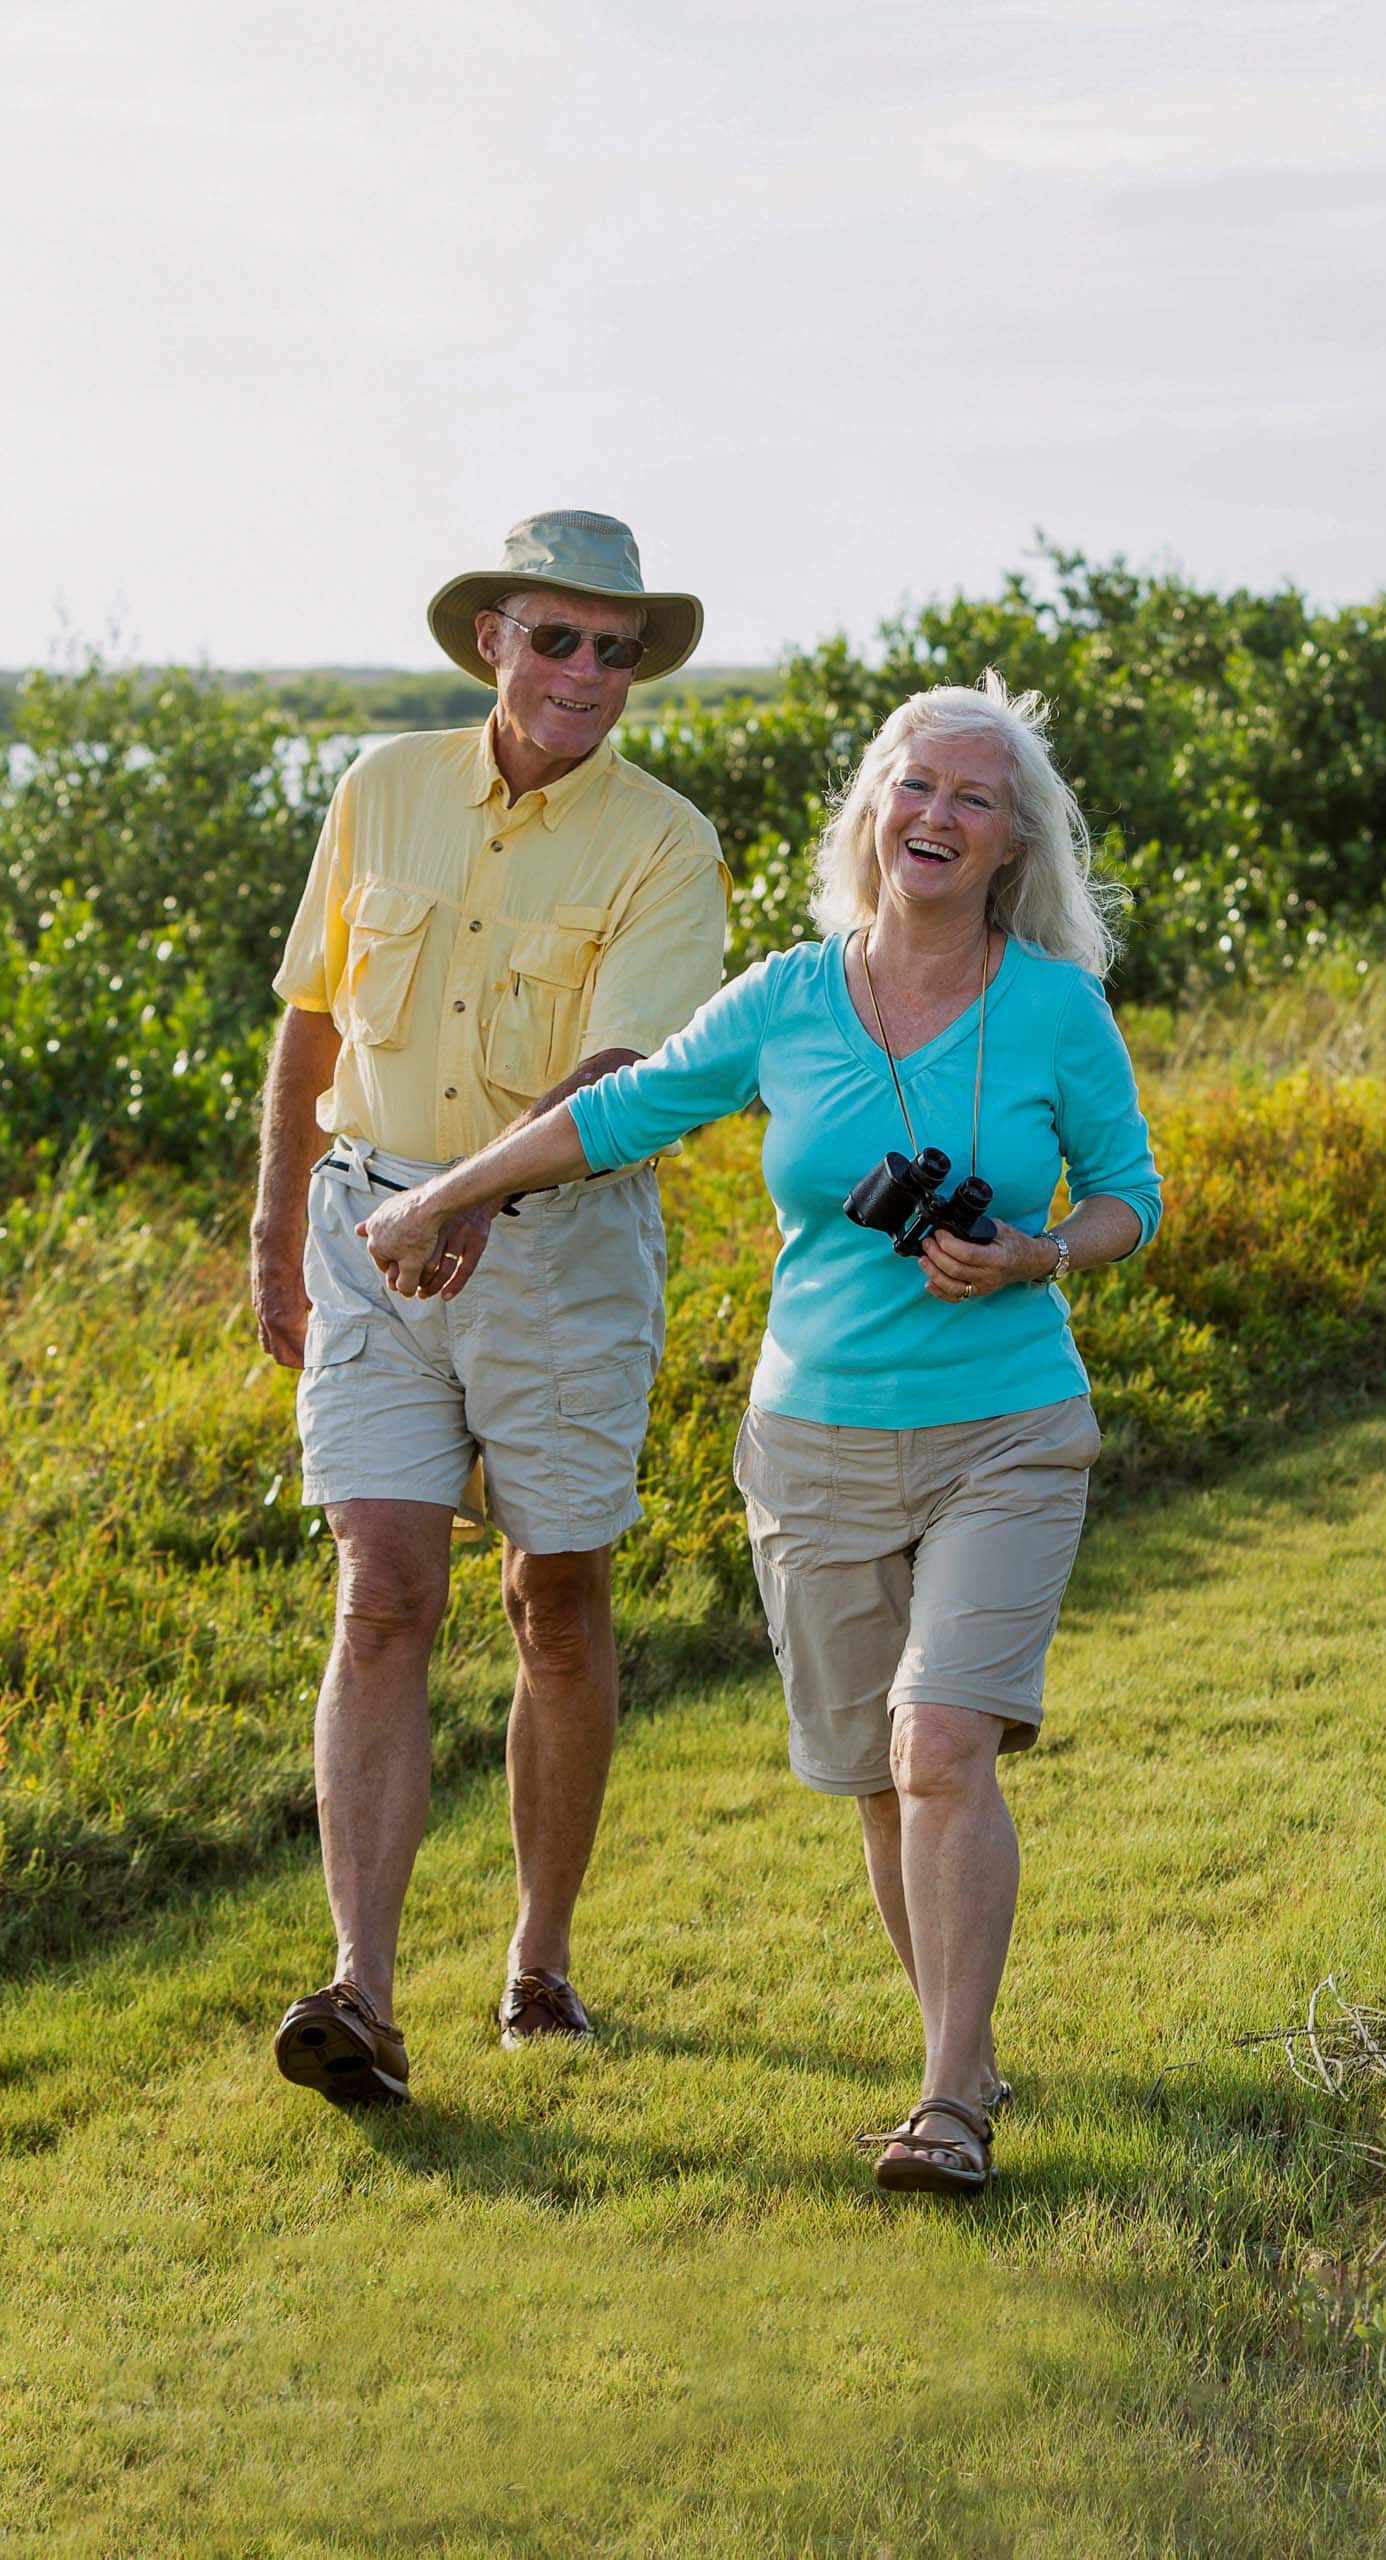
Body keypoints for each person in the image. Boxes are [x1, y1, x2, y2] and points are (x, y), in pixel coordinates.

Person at [356, 674, 1162, 2192]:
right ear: (875, 810)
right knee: (875, 1773)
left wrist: (1042, 1252)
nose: (937, 813)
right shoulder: (792, 996)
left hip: (1009, 1428)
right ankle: (963, 2051)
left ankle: (948, 2110)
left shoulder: (1055, 1008)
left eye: (973, 799)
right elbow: (620, 1113)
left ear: (1011, 846)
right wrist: (450, 1189)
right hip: (815, 1444)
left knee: (939, 1746)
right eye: (915, 786)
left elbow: (1133, 1196)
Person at [251, 511, 729, 2105]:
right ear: (491, 643)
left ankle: (538, 1959)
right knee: (381, 1590)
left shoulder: (667, 840)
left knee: (557, 1597)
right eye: (556, 638)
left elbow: (625, 1077)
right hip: (361, 1231)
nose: (586, 671)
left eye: (615, 647)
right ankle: (361, 1993)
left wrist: (476, 1198)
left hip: (559, 1247)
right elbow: (311, 1020)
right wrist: (272, 1230)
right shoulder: (380, 787)